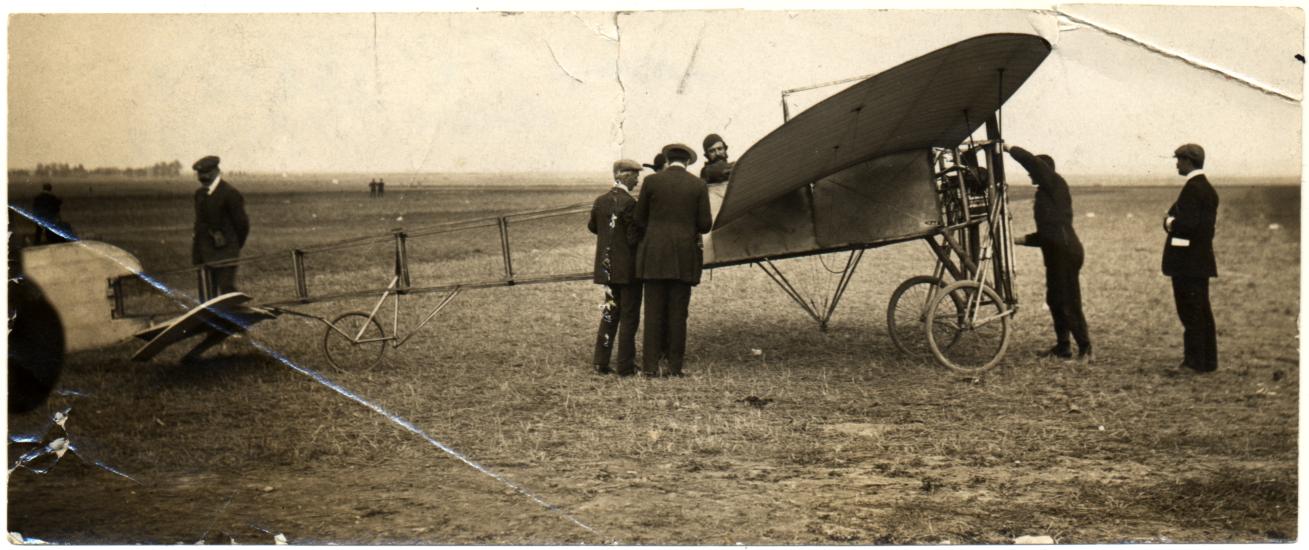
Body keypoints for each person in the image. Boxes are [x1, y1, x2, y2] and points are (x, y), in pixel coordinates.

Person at [1005, 145, 1092, 361]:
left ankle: (1086, 349)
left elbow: (1033, 163)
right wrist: (1017, 240)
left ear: (1043, 171)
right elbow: (1047, 233)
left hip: (1065, 253)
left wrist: (1010, 149)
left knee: (1068, 301)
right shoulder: (1046, 193)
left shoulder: (1054, 183)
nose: (1029, 174)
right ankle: (1063, 347)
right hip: (1055, 253)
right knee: (1055, 300)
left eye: (1033, 170)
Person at [633, 143, 712, 377]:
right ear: (688, 162)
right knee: (678, 314)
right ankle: (674, 368)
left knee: (653, 313)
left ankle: (649, 368)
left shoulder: (651, 182)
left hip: (654, 255)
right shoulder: (698, 185)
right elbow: (705, 225)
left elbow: (639, 218)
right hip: (683, 257)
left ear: (667, 160)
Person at [1163, 143, 1219, 373]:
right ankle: (1207, 361)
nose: (1177, 164)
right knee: (1202, 311)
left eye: (1179, 159)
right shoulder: (1207, 188)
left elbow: (1187, 225)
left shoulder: (1193, 188)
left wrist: (1169, 222)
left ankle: (1193, 362)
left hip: (1186, 263)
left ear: (1188, 161)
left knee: (1190, 312)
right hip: (1200, 261)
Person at [587, 159, 645, 376]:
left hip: (607, 270)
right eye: (633, 174)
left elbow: (593, 226)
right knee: (629, 316)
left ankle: (601, 362)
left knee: (610, 314)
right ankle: (625, 366)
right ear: (620, 174)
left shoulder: (600, 201)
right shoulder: (630, 203)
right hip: (628, 270)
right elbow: (633, 238)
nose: (637, 179)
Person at [191, 155, 250, 297]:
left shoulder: (230, 193)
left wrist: (232, 246)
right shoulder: (199, 194)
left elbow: (242, 225)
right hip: (203, 254)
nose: (200, 177)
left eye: (204, 173)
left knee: (226, 292)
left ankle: (234, 318)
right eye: (199, 174)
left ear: (215, 171)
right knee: (206, 297)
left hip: (225, 253)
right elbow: (199, 225)